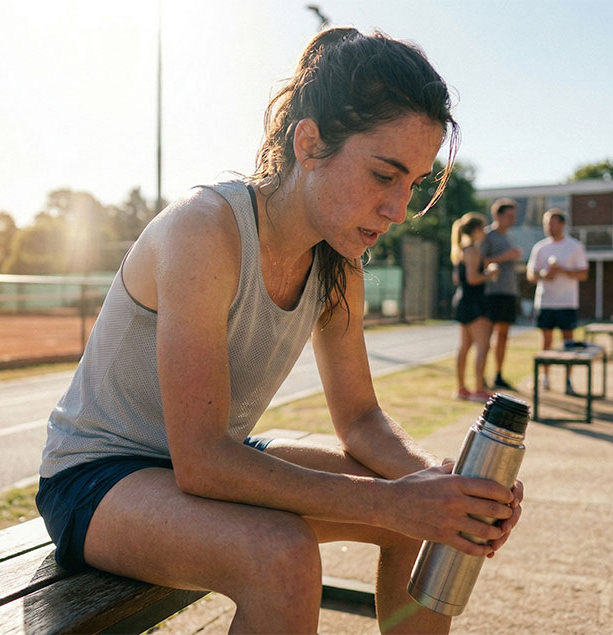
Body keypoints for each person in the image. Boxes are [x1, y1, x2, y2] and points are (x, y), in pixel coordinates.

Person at [36, 28, 523, 634]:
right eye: (382, 175)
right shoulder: (203, 230)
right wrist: (395, 500)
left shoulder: (338, 262)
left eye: (412, 185)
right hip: (98, 477)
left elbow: (362, 421)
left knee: (427, 526)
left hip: (211, 463)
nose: (398, 209)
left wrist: (442, 485)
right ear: (310, 143)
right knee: (282, 556)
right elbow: (203, 463)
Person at [526, 209, 588, 391]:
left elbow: (583, 274)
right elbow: (531, 274)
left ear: (562, 225)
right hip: (545, 302)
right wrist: (544, 274)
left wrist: (563, 270)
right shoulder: (540, 247)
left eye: (552, 223)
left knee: (568, 342)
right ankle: (544, 377)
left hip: (567, 302)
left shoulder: (575, 246)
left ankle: (568, 381)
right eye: (546, 224)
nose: (549, 227)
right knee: (546, 341)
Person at [451, 212, 499, 403]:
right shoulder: (474, 250)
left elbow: (458, 279)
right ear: (477, 229)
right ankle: (479, 389)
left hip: (463, 300)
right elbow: (472, 279)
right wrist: (490, 273)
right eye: (483, 228)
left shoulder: (460, 249)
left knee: (465, 346)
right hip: (474, 301)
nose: (485, 232)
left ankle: (462, 388)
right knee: (483, 345)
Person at [481, 198, 524, 391]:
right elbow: (480, 263)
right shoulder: (487, 236)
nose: (513, 219)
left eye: (514, 216)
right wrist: (506, 256)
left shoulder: (509, 237)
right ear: (497, 215)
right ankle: (480, 377)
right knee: (486, 337)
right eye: (510, 215)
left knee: (504, 336)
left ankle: (498, 375)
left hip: (509, 292)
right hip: (492, 292)